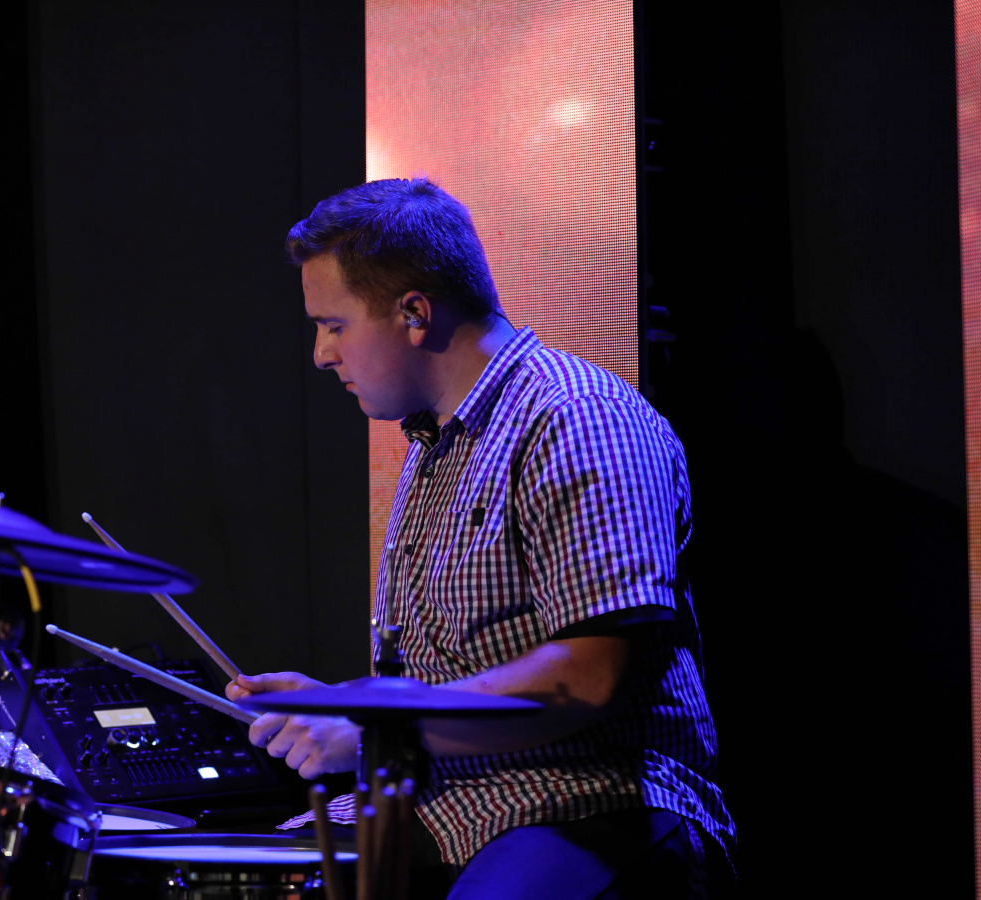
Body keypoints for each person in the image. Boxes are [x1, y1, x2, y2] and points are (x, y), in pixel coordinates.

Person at [226, 177, 735, 898]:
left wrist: (377, 731)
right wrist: (342, 705)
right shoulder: (435, 443)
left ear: (414, 313)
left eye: (333, 325)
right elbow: (455, 680)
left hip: (586, 802)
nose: (320, 353)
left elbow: (587, 677)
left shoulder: (578, 419)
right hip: (443, 803)